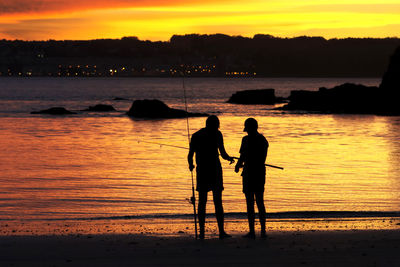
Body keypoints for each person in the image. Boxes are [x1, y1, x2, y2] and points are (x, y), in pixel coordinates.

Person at [188, 115, 234, 239]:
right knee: (216, 201)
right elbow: (223, 153)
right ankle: (221, 232)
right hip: (214, 170)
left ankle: (203, 232)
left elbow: (190, 154)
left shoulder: (196, 135)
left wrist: (191, 164)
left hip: (203, 170)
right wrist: (229, 158)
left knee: (203, 201)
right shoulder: (218, 134)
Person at [235, 118, 269, 239]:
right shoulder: (263, 140)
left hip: (249, 173)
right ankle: (263, 231)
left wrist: (238, 166)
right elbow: (262, 158)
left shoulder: (246, 140)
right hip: (260, 172)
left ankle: (252, 232)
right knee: (260, 201)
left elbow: (242, 157)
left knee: (250, 203)